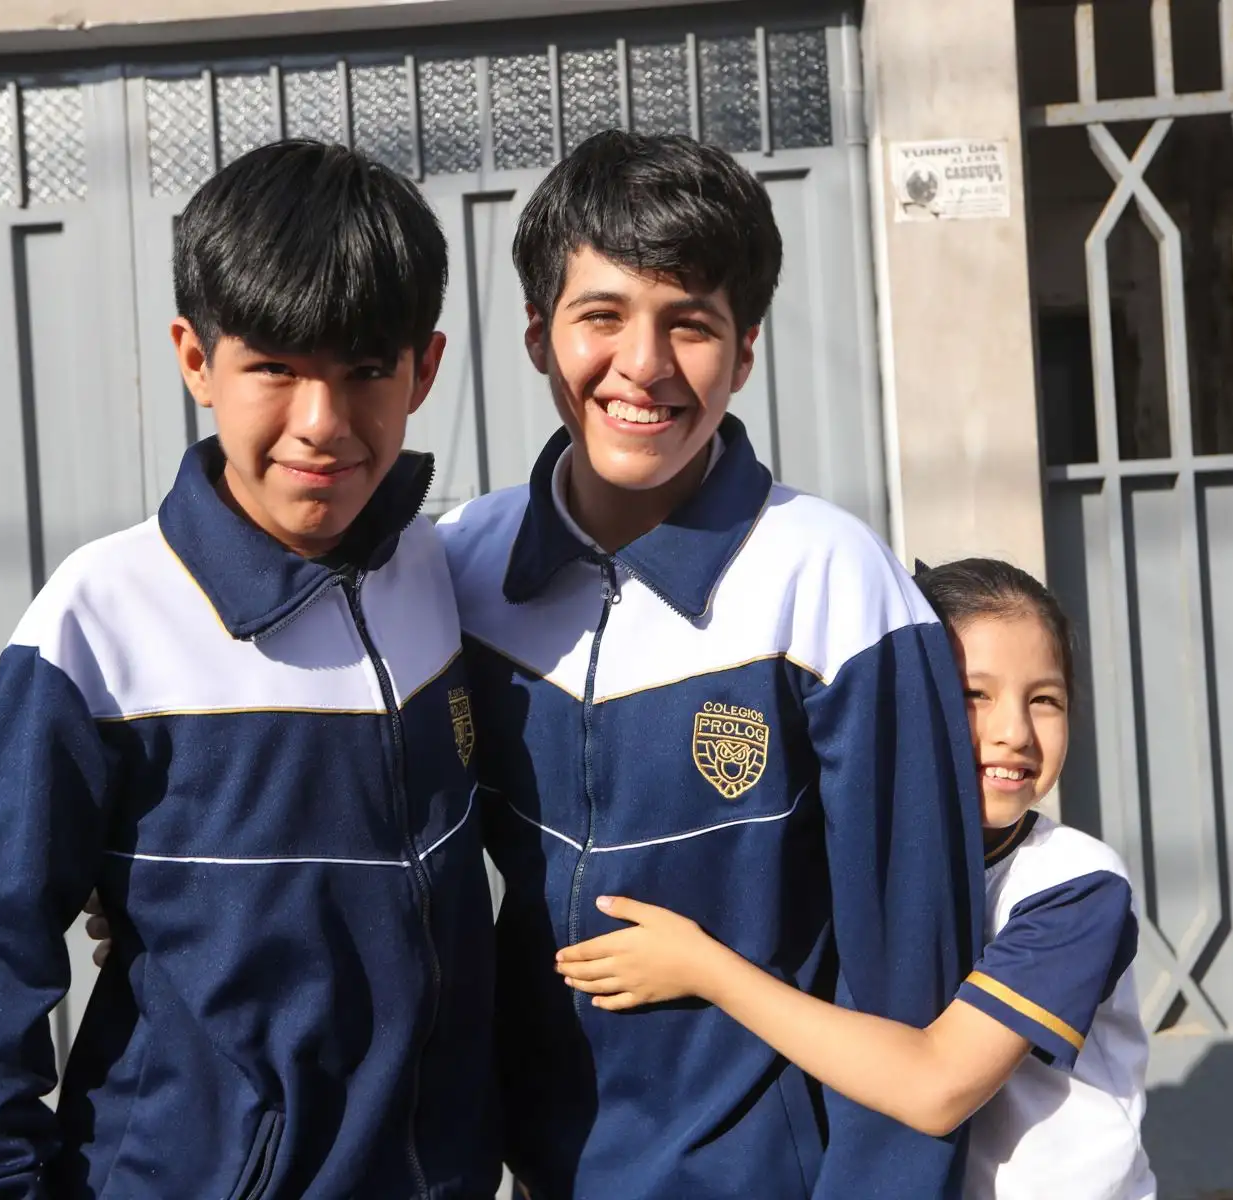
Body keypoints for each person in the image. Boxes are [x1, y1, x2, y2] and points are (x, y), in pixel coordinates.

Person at [0, 140, 499, 1198]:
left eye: (365, 369)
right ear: (195, 358)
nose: (322, 424)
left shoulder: (445, 577)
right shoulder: (99, 626)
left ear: (427, 367)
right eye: (275, 366)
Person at [436, 130, 988, 1199]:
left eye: (689, 325)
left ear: (743, 354)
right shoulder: (460, 571)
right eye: (601, 317)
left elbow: (912, 968)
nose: (643, 366)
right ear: (539, 337)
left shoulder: (833, 585)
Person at [555, 558, 1155, 1200]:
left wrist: (704, 970)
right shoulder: (845, 855)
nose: (1014, 733)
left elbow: (938, 1089)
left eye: (1045, 699)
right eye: (972, 695)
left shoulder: (1075, 884)